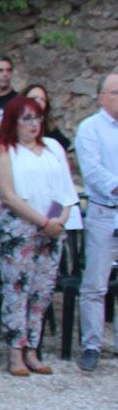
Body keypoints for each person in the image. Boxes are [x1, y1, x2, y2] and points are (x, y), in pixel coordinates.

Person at [0, 96, 77, 377]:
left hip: (52, 227)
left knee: (43, 289)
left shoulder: (52, 148)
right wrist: (42, 221)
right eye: (26, 119)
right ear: (14, 122)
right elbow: (9, 196)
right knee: (17, 289)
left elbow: (66, 190)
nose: (34, 124)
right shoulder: (4, 151)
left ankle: (33, 349)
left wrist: (59, 219)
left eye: (37, 118)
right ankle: (15, 351)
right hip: (20, 228)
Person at [75, 72, 118, 372]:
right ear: (101, 97)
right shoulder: (90, 128)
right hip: (106, 210)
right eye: (115, 92)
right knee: (95, 284)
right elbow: (92, 172)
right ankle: (92, 343)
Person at [23, 84, 74, 154]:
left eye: (42, 99)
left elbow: (67, 149)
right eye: (33, 98)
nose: (38, 101)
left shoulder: (50, 130)